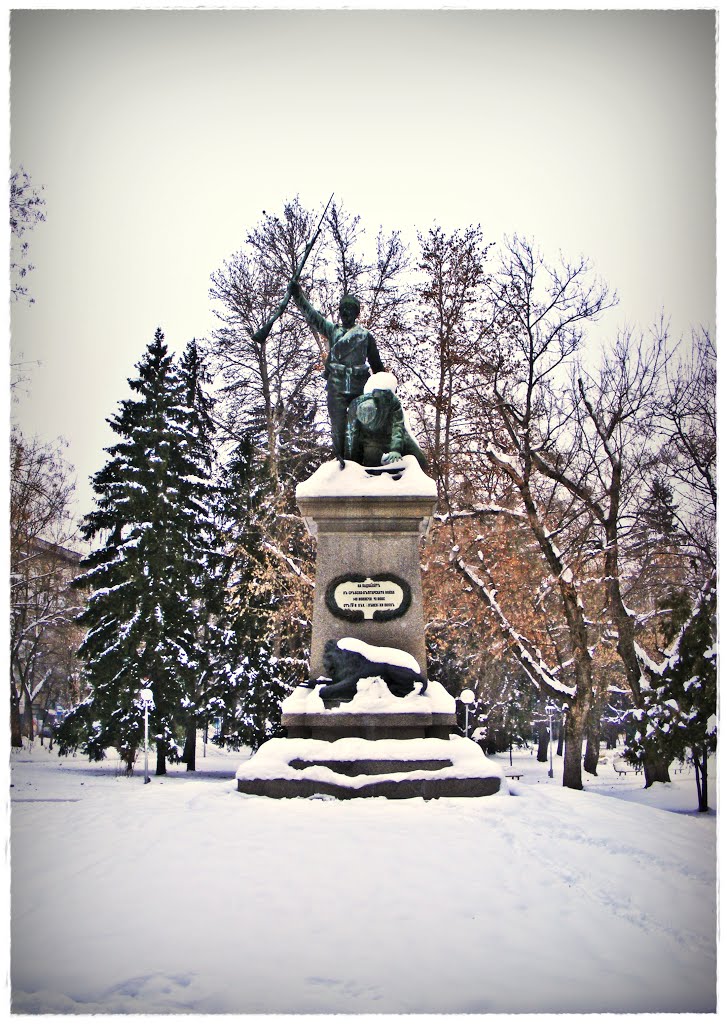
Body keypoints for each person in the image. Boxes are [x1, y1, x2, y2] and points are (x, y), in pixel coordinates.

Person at [288, 281, 384, 464]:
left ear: (356, 313)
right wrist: (298, 296)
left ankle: (357, 465)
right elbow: (313, 316)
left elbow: (377, 366)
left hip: (359, 386)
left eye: (349, 309)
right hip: (337, 386)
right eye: (343, 309)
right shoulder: (332, 331)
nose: (345, 312)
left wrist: (385, 391)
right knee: (338, 428)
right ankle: (342, 463)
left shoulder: (365, 336)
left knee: (358, 427)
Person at [345, 379, 428, 470]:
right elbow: (351, 435)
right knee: (371, 459)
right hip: (371, 440)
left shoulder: (389, 401)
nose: (369, 425)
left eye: (371, 421)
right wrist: (350, 461)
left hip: (391, 433)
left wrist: (396, 449)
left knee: (421, 461)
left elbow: (397, 425)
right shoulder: (354, 407)